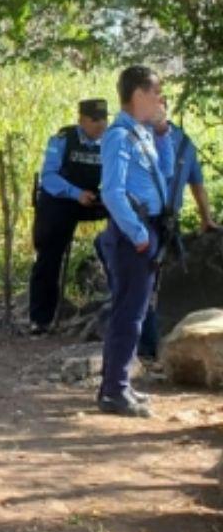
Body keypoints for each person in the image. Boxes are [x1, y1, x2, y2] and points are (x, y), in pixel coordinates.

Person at [96, 66, 166, 417]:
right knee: (129, 312)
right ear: (138, 93)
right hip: (132, 235)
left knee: (134, 311)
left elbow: (164, 175)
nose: (160, 100)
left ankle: (116, 384)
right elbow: (112, 191)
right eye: (155, 93)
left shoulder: (144, 133)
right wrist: (138, 235)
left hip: (148, 229)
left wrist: (163, 132)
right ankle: (114, 391)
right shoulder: (119, 136)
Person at [133, 98, 219, 358]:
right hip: (154, 220)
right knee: (148, 284)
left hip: (152, 220)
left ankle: (146, 346)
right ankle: (145, 345)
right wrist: (206, 218)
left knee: (146, 284)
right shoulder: (177, 141)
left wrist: (207, 219)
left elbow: (197, 184)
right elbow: (198, 186)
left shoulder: (154, 140)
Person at [27, 99, 110, 334]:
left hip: (91, 197)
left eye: (104, 119)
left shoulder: (111, 141)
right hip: (60, 199)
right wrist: (75, 193)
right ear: (81, 120)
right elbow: (49, 177)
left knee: (126, 222)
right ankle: (40, 320)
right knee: (49, 257)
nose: (100, 125)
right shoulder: (62, 140)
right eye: (95, 120)